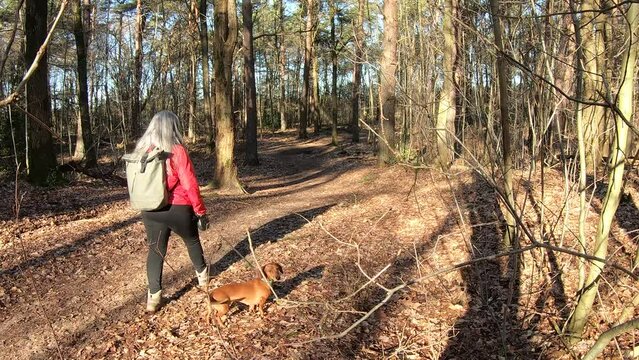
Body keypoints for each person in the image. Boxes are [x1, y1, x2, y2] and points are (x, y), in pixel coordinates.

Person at [132, 110, 210, 313]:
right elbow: (190, 183)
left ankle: (153, 299)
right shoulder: (177, 150)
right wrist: (200, 211)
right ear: (173, 127)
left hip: (150, 209)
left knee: (155, 251)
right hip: (178, 207)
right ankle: (204, 281)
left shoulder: (142, 151)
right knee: (192, 240)